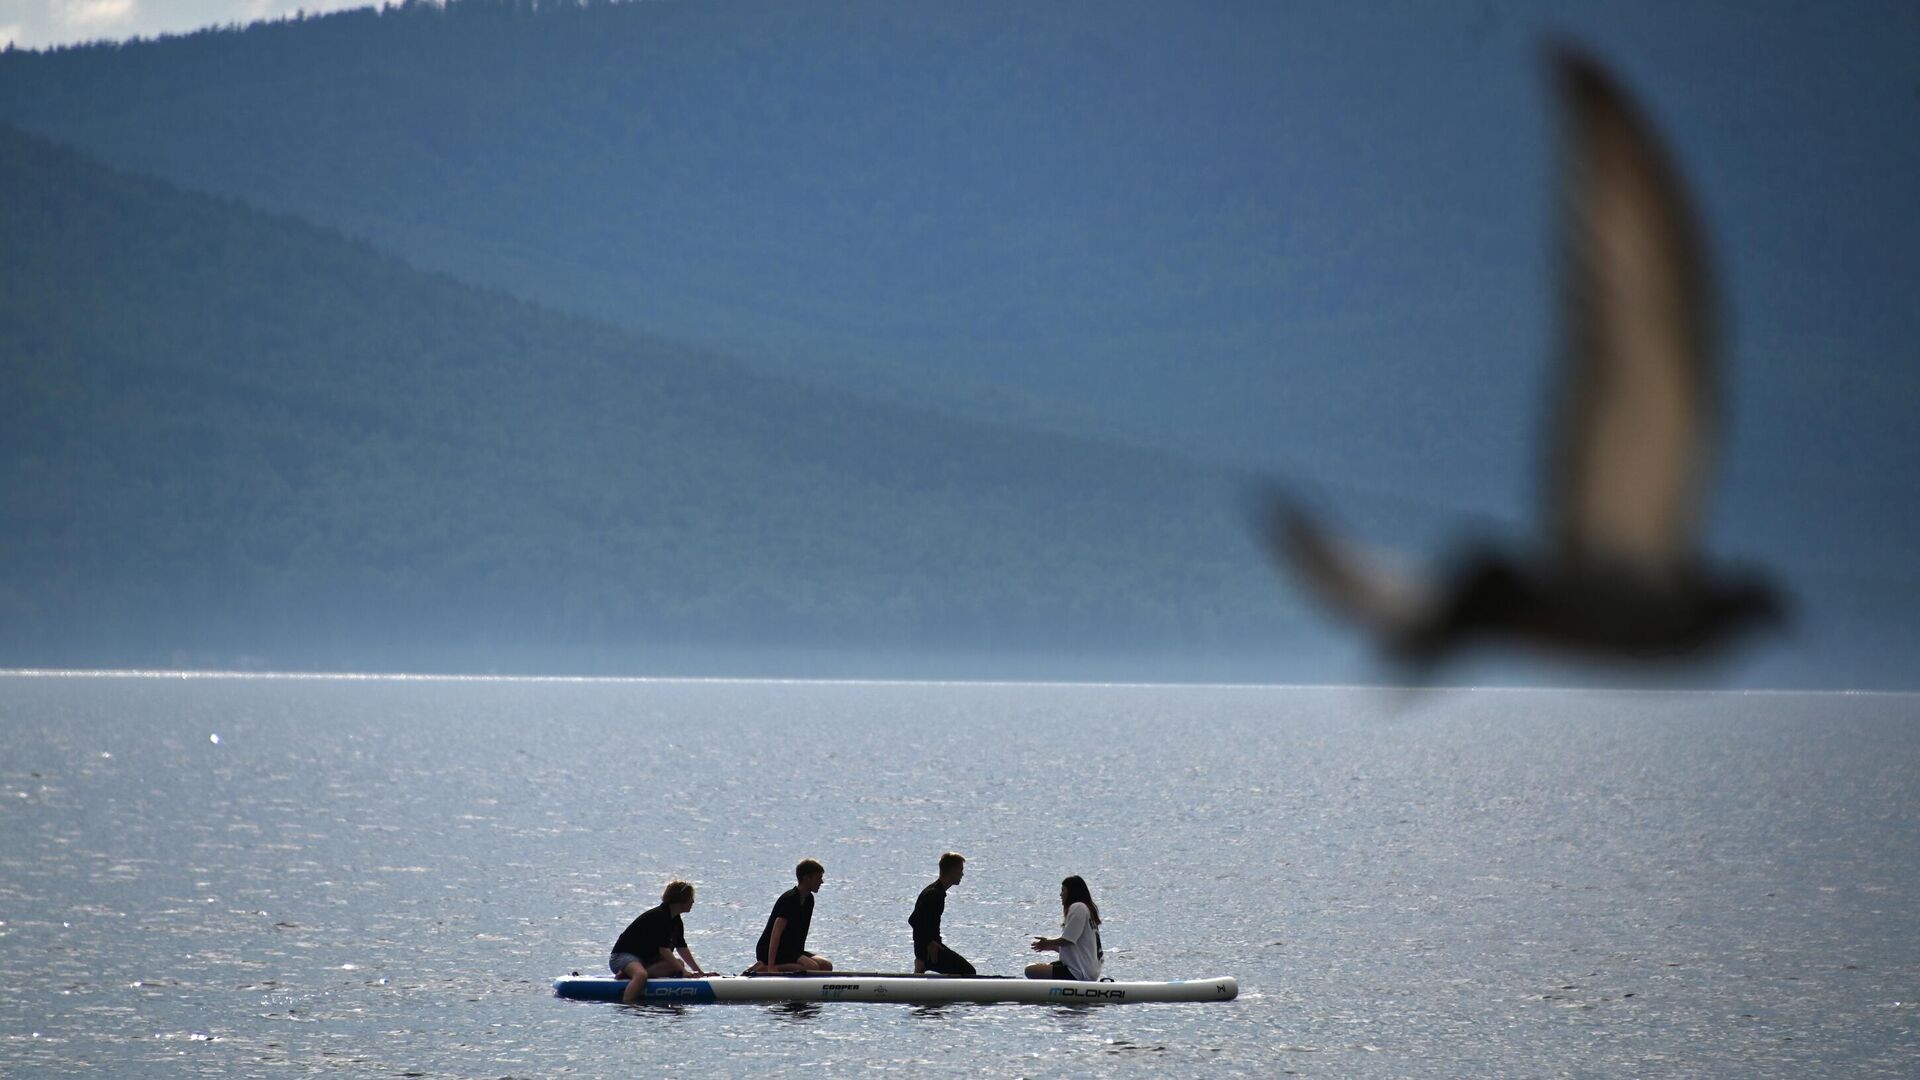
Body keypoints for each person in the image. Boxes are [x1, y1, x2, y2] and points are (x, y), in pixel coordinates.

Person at [610, 879, 711, 1004]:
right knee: (641, 975)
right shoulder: (659, 916)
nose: (693, 902)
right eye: (690, 898)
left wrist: (699, 973)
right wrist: (683, 972)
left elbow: (681, 947)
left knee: (679, 964)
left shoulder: (676, 920)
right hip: (622, 956)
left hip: (644, 960)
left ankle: (627, 975)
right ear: (681, 899)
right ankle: (628, 1005)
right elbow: (663, 950)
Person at [750, 858, 833, 973]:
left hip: (791, 950)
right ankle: (764, 968)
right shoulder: (790, 899)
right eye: (818, 878)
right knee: (812, 967)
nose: (821, 882)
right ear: (806, 878)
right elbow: (776, 933)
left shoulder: (809, 900)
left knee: (826, 965)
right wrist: (771, 965)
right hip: (771, 950)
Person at [1025, 874, 1103, 981]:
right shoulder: (1086, 910)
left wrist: (1047, 942)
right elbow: (1075, 949)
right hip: (1087, 971)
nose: (1060, 894)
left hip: (1077, 972)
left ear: (1071, 892)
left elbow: (1068, 940)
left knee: (1030, 970)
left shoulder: (1078, 907)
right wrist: (1051, 947)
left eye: (1063, 890)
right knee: (1043, 968)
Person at [909, 852, 975, 975]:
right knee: (968, 971)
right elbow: (914, 920)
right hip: (928, 950)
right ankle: (922, 963)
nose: (962, 874)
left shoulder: (937, 891)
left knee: (964, 969)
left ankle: (921, 965)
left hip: (931, 947)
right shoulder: (933, 894)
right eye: (960, 870)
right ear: (953, 870)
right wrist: (929, 942)